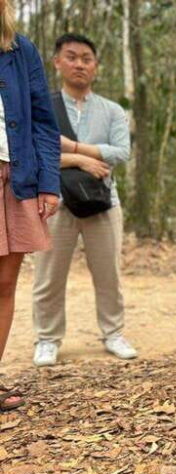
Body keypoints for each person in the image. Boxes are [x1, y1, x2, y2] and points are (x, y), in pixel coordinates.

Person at [31, 33, 136, 366]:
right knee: (48, 274)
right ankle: (47, 338)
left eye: (86, 58)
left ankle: (113, 333)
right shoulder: (42, 107)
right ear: (57, 62)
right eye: (72, 57)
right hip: (53, 200)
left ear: (96, 66)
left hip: (102, 201)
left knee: (109, 274)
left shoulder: (112, 110)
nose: (79, 64)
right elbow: (35, 154)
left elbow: (121, 152)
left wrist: (72, 147)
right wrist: (81, 161)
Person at [0, 2, 60, 410]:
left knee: (4, 284)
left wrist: (48, 183)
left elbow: (42, 121)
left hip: (15, 176)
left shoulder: (20, 50)